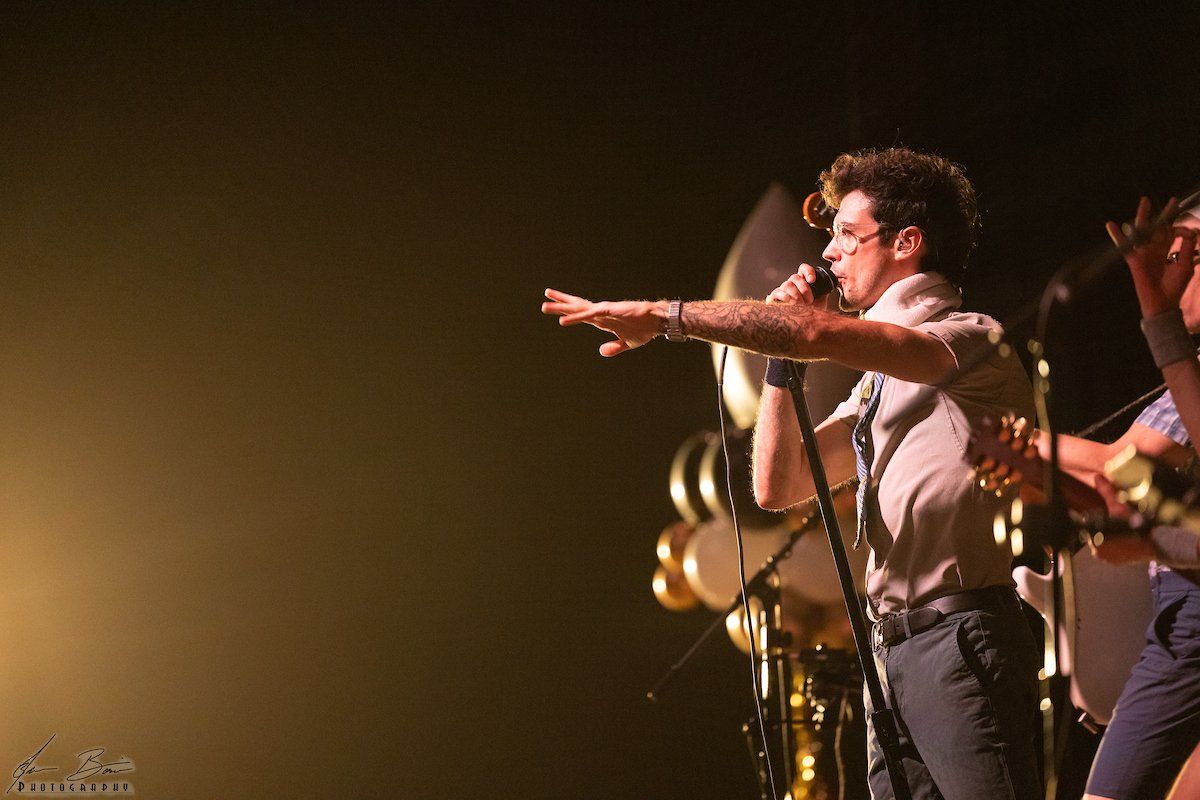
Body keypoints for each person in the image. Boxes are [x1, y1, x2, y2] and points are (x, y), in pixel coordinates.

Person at [543, 147, 1040, 799]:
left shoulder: (967, 338)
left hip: (959, 637)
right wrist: (784, 361)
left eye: (848, 234)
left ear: (907, 242)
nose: (830, 252)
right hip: (891, 651)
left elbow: (810, 333)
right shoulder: (877, 385)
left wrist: (666, 316)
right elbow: (778, 486)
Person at [1039, 198, 1200, 800]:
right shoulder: (1186, 371)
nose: (1175, 265)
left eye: (1192, 255)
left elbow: (1125, 460)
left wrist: (1035, 445)